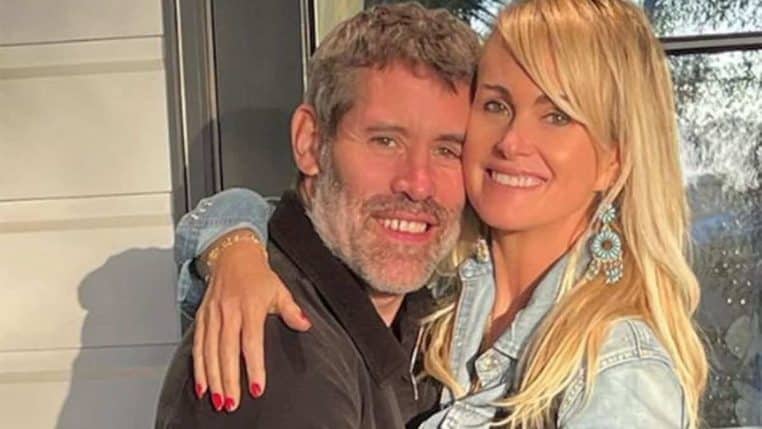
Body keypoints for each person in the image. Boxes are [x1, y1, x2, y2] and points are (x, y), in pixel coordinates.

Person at [178, 0, 709, 427]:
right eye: (497, 105)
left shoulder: (616, 365)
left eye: (556, 115)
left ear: (613, 159)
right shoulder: (442, 309)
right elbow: (312, 221)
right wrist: (234, 246)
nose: (512, 141)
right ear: (310, 141)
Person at [154, 3, 480, 428]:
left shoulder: (429, 326)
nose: (418, 184)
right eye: (385, 141)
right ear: (310, 143)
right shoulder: (274, 347)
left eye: (447, 150)